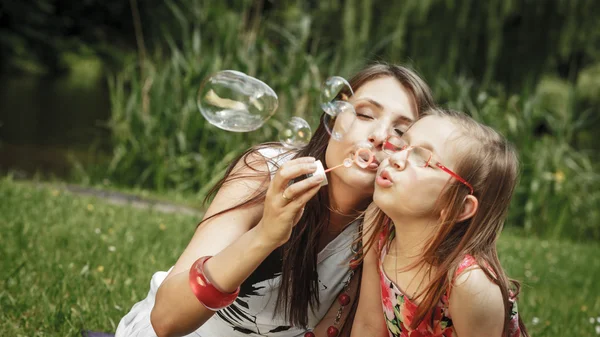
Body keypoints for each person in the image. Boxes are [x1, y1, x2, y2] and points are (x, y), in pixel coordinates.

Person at [115, 63, 436, 337]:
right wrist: (265, 235)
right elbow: (166, 319)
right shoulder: (265, 172)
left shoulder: (384, 228)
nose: (380, 136)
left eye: (400, 133)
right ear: (335, 118)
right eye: (365, 114)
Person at [351, 109, 529, 337]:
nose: (395, 159)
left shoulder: (469, 284)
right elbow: (368, 325)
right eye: (402, 145)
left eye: (422, 158)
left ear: (459, 208)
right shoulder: (378, 224)